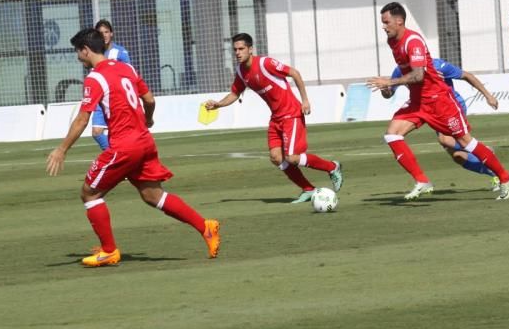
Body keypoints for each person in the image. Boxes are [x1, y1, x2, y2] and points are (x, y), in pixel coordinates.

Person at [46, 28, 219, 267]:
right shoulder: (127, 68)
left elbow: (82, 119)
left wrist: (62, 149)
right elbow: (149, 99)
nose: (78, 57)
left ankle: (108, 250)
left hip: (124, 146)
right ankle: (206, 227)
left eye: (78, 52)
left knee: (89, 193)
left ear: (86, 50)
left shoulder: (95, 78)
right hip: (144, 141)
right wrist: (148, 120)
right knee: (152, 195)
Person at [367, 2, 509, 201]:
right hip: (418, 102)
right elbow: (401, 82)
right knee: (392, 134)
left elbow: (418, 75)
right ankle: (422, 181)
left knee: (464, 143)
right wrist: (387, 87)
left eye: (386, 22)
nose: (383, 27)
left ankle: (505, 177)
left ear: (399, 21)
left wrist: (390, 81)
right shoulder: (392, 41)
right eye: (382, 23)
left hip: (439, 102)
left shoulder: (413, 42)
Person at [204, 33, 343, 204]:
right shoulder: (241, 72)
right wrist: (218, 104)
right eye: (235, 50)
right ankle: (308, 189)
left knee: (292, 157)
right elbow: (235, 93)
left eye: (241, 49)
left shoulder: (265, 63)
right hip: (276, 118)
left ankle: (332, 167)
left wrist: (305, 100)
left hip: (291, 114)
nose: (238, 53)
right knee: (276, 157)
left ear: (250, 49)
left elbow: (294, 73)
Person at [381, 56, 500, 187]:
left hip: (450, 105)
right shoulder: (400, 70)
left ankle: (482, 149)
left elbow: (467, 76)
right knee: (458, 156)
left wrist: (488, 96)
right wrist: (384, 89)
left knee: (445, 140)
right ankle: (495, 174)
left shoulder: (437, 65)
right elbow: (388, 94)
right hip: (427, 109)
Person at [91, 19, 131, 151]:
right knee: (97, 132)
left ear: (111, 33)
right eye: (100, 33)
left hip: (116, 99)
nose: (104, 35)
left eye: (106, 32)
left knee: (119, 133)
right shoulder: (94, 53)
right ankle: (114, 154)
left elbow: (128, 74)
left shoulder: (120, 52)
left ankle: (117, 157)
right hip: (99, 99)